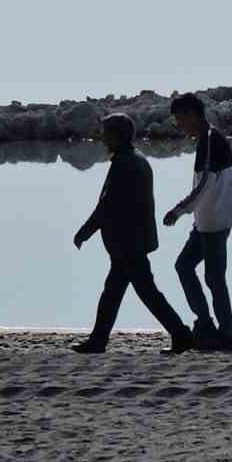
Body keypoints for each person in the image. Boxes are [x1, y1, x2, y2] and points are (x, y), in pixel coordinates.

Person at [72, 113, 195, 355]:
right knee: (115, 293)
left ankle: (181, 334)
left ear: (118, 136)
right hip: (131, 243)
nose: (102, 138)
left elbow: (107, 206)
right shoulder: (134, 160)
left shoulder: (125, 163)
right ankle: (99, 341)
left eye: (106, 133)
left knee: (144, 293)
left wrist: (85, 232)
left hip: (128, 243)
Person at [162, 93, 232, 352]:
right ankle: (207, 326)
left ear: (192, 115)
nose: (179, 125)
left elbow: (205, 185)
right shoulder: (207, 139)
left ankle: (224, 336)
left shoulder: (209, 140)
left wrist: (178, 210)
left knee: (213, 279)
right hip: (207, 221)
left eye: (180, 119)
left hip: (214, 222)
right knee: (186, 268)